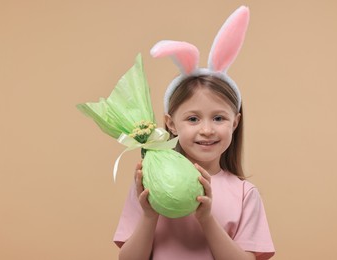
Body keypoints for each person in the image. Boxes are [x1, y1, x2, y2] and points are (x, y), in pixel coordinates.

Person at [113, 6, 275, 260]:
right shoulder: (149, 184)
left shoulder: (245, 194)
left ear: (235, 123)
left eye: (219, 118)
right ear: (171, 124)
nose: (207, 129)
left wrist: (206, 219)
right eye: (193, 118)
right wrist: (149, 215)